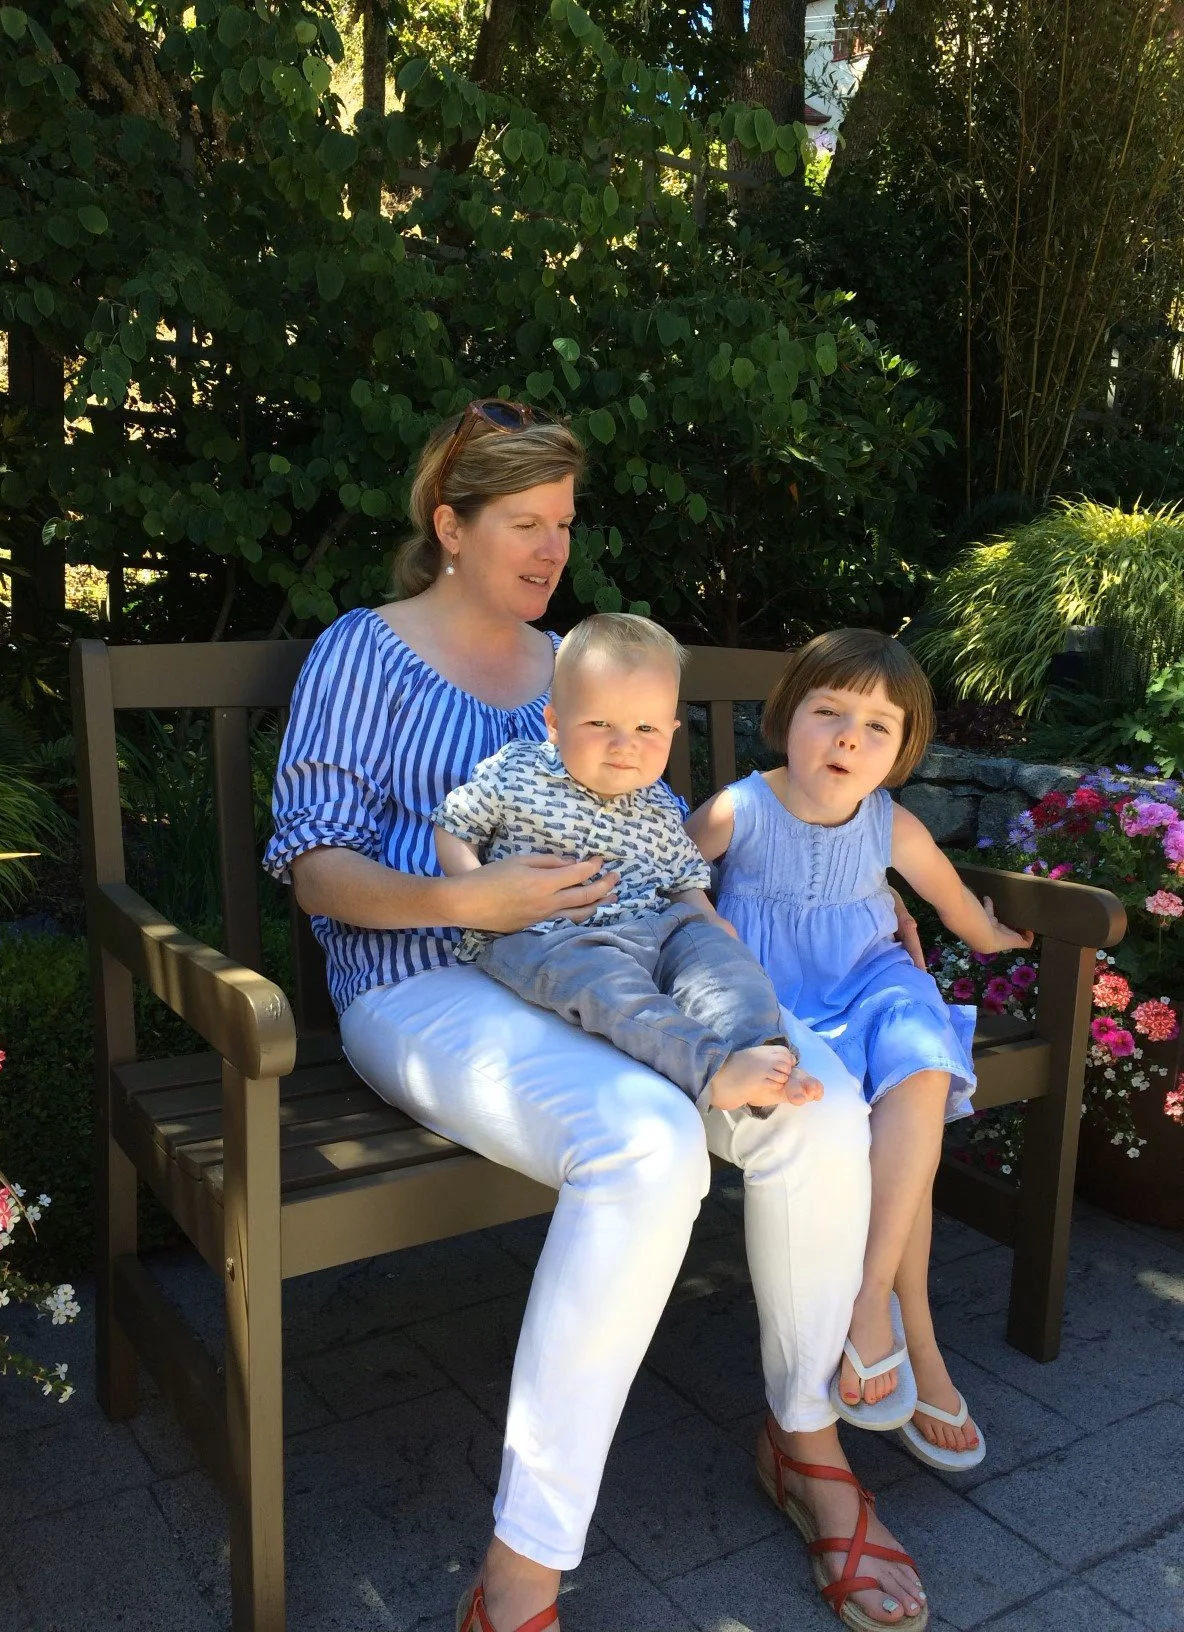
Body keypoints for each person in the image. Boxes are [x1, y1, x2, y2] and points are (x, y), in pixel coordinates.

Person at [265, 401, 928, 1632]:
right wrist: (469, 892)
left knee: (816, 1103)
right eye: (524, 523)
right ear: (449, 526)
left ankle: (807, 1440)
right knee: (645, 1142)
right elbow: (311, 865)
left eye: (563, 525)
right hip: (418, 980)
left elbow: (667, 841)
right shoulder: (365, 650)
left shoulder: (585, 662)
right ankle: (522, 1575)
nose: (551, 550)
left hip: (614, 964)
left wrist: (849, 896)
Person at [688, 628, 1034, 1475]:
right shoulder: (743, 807)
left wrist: (1001, 937)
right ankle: (913, 1336)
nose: (849, 737)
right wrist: (706, 921)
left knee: (919, 1067)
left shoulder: (892, 823)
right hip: (781, 1002)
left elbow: (956, 909)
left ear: (903, 751)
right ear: (787, 717)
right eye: (830, 712)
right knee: (869, 1123)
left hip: (875, 980)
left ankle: (870, 1300)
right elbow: (669, 875)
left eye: (878, 727)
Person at [431, 612, 823, 1115]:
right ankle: (711, 1070)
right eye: (599, 723)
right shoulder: (518, 770)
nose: (624, 744)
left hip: (652, 927)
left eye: (645, 727)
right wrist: (473, 892)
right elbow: (454, 824)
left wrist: (706, 917)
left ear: (671, 731)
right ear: (554, 723)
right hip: (549, 937)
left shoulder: (658, 802)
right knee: (613, 991)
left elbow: (684, 881)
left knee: (720, 958)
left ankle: (763, 1050)